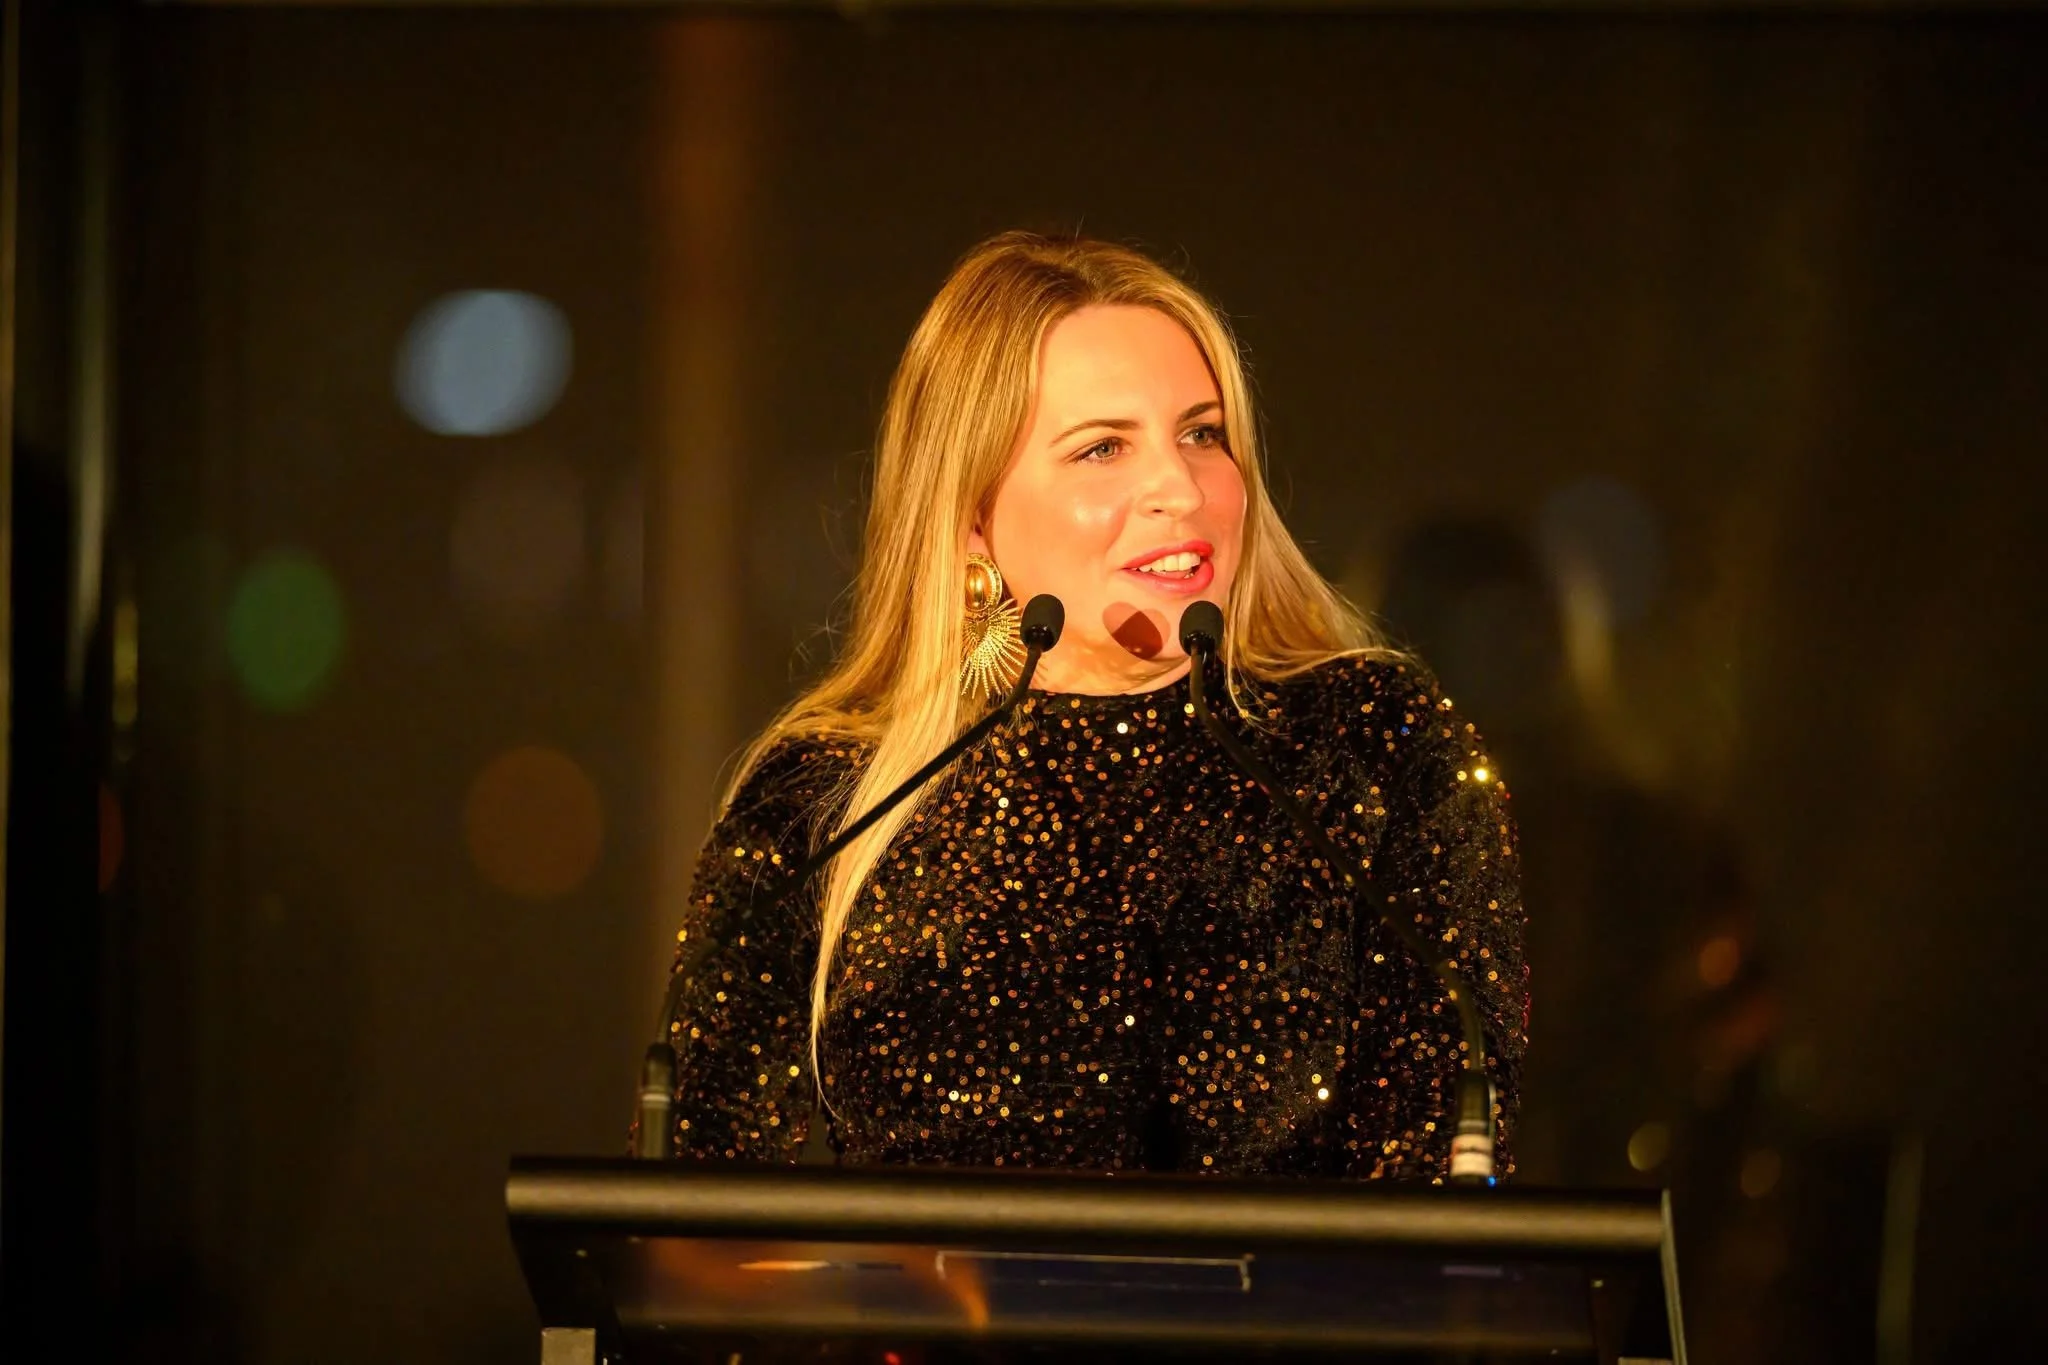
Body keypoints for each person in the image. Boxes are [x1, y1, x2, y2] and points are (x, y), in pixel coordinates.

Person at [658, 231, 1527, 1180]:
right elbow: (693, 1212)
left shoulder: (1371, 744)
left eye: (1202, 434)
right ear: (971, 515)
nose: (1178, 488)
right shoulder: (828, 800)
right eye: (1103, 448)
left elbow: (1438, 1184)